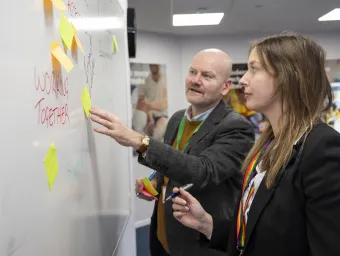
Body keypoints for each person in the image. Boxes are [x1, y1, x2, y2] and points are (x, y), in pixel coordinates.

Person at [171, 32, 340, 256]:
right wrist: (206, 223)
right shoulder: (268, 144)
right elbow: (256, 231)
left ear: (287, 77)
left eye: (254, 69)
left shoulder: (321, 148)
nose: (242, 80)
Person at [89, 49, 254, 255]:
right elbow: (174, 162)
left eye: (207, 76)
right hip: (162, 234)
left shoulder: (236, 128)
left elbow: (201, 171)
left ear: (225, 87)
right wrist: (156, 182)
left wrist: (139, 140)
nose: (195, 80)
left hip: (198, 244)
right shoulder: (177, 119)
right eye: (192, 72)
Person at [132, 64, 168, 141]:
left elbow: (163, 105)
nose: (154, 66)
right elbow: (142, 103)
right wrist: (150, 119)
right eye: (152, 65)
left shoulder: (166, 78)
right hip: (150, 115)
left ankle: (151, 150)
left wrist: (148, 103)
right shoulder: (145, 80)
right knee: (143, 135)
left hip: (163, 116)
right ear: (150, 66)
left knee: (157, 135)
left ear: (159, 65)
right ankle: (144, 150)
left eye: (156, 65)